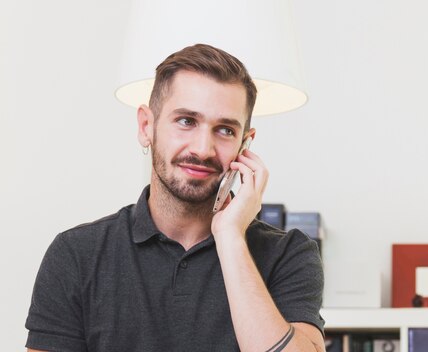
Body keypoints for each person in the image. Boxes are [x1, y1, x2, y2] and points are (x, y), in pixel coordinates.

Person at [25, 44, 325, 352]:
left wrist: (231, 238)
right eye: (186, 121)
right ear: (147, 126)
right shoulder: (76, 254)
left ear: (245, 145)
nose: (203, 149)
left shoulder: (290, 254)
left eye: (224, 130)